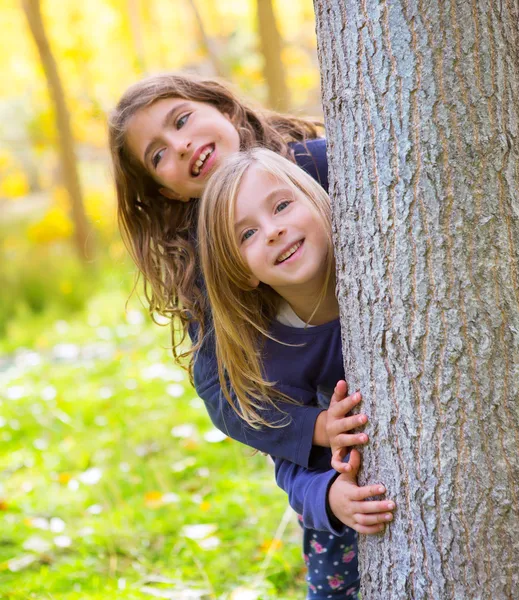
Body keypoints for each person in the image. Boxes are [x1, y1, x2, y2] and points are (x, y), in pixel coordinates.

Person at [108, 73, 388, 598]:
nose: (182, 144)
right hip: (327, 432)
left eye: (182, 119)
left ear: (224, 109)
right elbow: (227, 393)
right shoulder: (206, 271)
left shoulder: (325, 164)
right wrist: (313, 430)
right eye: (159, 154)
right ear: (166, 191)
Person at [199, 148, 396, 598]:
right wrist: (328, 496)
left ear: (320, 201)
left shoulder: (386, 270)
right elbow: (288, 464)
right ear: (241, 272)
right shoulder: (269, 352)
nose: (273, 231)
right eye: (247, 234)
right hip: (344, 511)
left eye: (283, 205)